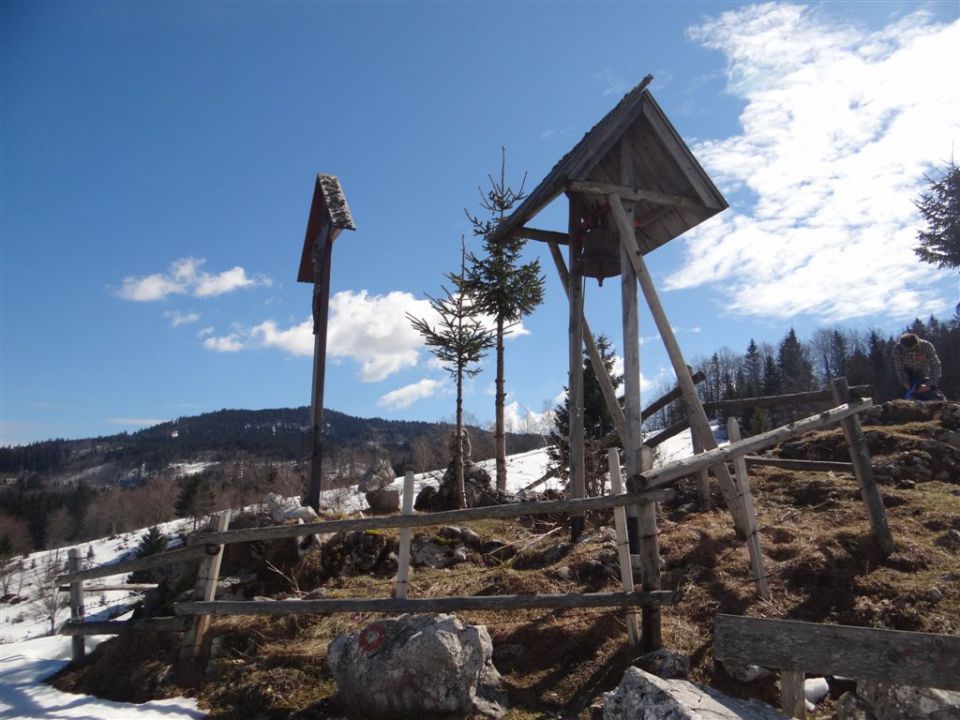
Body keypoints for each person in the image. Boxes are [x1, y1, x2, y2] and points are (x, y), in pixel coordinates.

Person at [893, 333, 945, 401]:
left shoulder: (926, 346)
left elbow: (935, 365)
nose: (910, 352)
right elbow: (899, 368)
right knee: (910, 399)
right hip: (908, 374)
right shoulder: (897, 349)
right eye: (907, 350)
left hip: (924, 374)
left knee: (935, 398)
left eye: (913, 349)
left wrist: (929, 384)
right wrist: (907, 384)